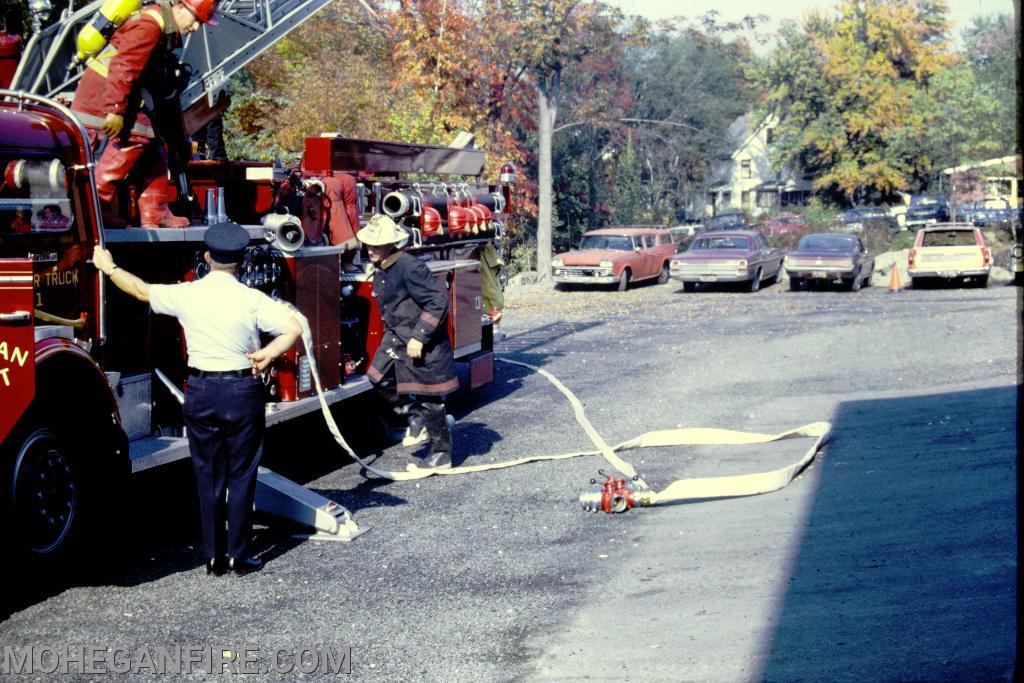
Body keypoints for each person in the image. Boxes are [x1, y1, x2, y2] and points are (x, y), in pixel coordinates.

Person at [91, 222, 303, 574]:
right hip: (241, 391)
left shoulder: (187, 294)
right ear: (244, 262)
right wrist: (268, 353)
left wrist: (109, 266)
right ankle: (238, 554)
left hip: (201, 391)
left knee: (207, 474)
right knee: (242, 472)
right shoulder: (252, 299)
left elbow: (141, 290)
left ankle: (213, 557)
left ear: (207, 257)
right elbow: (293, 328)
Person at [71, 0, 220, 228]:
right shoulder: (150, 25)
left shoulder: (162, 31)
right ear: (180, 7)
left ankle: (156, 213)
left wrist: (176, 140)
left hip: (113, 95)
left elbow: (157, 87)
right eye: (196, 19)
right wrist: (115, 110)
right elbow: (124, 65)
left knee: (155, 146)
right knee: (139, 134)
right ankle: (95, 208)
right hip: (103, 98)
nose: (197, 28)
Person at [358, 214, 457, 470]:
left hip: (423, 342)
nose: (370, 249)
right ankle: (416, 418)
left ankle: (441, 454)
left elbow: (437, 301)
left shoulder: (409, 266)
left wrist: (419, 336)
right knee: (378, 377)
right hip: (396, 339)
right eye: (368, 244)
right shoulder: (383, 266)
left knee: (429, 397)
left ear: (390, 245)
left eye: (376, 245)